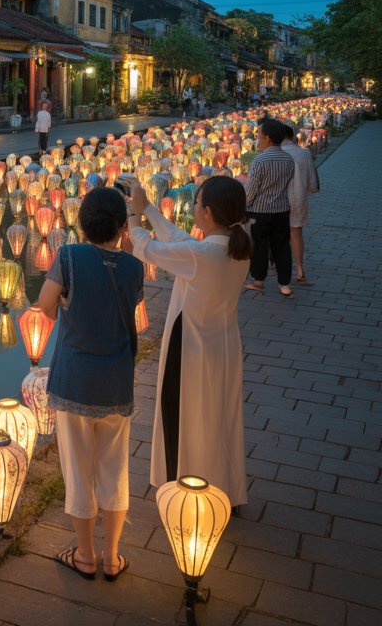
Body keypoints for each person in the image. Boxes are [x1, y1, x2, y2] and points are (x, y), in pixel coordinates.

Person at [123, 175, 252, 510]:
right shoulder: (236, 247)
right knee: (219, 419)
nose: (193, 209)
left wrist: (134, 217)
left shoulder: (201, 255)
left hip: (191, 349)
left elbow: (149, 249)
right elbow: (179, 240)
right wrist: (149, 207)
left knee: (188, 417)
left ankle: (187, 487)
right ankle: (223, 488)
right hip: (222, 346)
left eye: (196, 203)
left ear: (207, 212)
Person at [39, 187, 144, 582]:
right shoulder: (134, 268)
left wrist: (70, 320)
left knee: (78, 471)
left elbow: (46, 305)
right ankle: (113, 557)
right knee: (115, 470)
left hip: (75, 381)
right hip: (117, 383)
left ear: (81, 223)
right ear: (121, 227)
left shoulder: (69, 256)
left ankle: (84, 555)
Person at [244, 118, 295, 297]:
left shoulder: (260, 160)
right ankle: (285, 284)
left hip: (260, 211)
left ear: (267, 137)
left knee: (259, 245)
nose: (256, 138)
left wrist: (245, 206)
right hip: (281, 209)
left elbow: (252, 189)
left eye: (258, 135)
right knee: (282, 246)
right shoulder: (289, 159)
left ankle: (258, 280)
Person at [281, 121, 320, 284]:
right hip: (298, 199)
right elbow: (312, 185)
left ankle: (279, 267)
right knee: (296, 234)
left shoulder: (276, 153)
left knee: (279, 235)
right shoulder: (304, 153)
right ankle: (300, 268)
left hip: (278, 199)